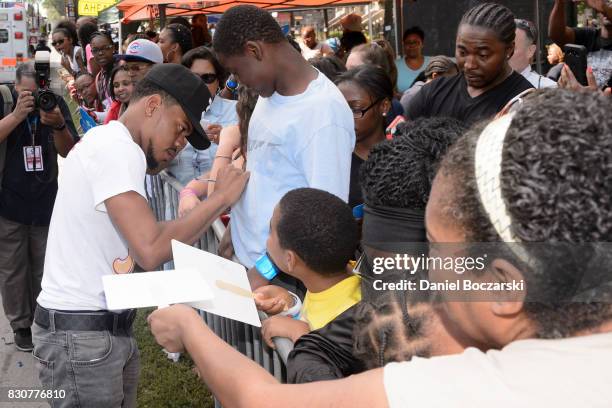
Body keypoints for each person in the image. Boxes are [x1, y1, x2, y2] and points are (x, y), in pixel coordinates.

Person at [149, 88, 612, 408]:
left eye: (434, 251)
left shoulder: (501, 386)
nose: (420, 276)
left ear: (503, 288)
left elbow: (261, 400)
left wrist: (191, 328)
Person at [32, 64, 249, 407]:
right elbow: (150, 248)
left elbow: (143, 239)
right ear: (152, 107)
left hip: (96, 331)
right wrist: (220, 198)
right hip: (81, 337)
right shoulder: (117, 148)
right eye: (180, 129)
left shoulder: (114, 145)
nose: (179, 144)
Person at [287, 117, 466, 384]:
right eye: (370, 267)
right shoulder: (387, 303)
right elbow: (315, 351)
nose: (385, 289)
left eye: (403, 272)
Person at [212, 5, 355, 291]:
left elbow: (320, 221)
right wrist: (233, 231)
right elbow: (264, 175)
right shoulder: (269, 92)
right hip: (251, 265)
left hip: (282, 280)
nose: (237, 81)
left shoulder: (323, 113)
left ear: (254, 51)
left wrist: (263, 271)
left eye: (236, 71)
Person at [0, 63, 78, 352]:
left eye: (37, 93)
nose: (33, 99)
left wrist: (57, 124)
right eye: (26, 93)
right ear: (15, 86)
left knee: (45, 267)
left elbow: (69, 150)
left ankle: (44, 320)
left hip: (46, 201)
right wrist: (17, 115)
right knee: (12, 269)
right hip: (8, 203)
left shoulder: (54, 104)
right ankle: (21, 326)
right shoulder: (5, 100)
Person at [254, 188, 360, 346]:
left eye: (270, 231)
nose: (267, 239)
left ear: (290, 260)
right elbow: (312, 315)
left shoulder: (349, 321)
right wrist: (289, 304)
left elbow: (326, 366)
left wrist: (300, 334)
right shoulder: (338, 280)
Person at [405, 3, 533, 126]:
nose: (469, 65)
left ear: (509, 50)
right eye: (462, 52)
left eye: (483, 55)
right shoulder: (432, 93)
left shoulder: (525, 103)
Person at [178, 85, 256, 217]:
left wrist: (226, 143)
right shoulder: (239, 154)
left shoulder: (257, 155)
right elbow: (205, 179)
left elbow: (214, 199)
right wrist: (188, 193)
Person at [167, 46, 236, 185]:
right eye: (193, 77)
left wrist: (227, 141)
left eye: (208, 78)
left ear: (219, 81)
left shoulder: (236, 111)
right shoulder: (168, 113)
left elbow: (248, 159)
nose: (199, 83)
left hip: (222, 203)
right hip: (177, 203)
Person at [335, 66, 392, 208]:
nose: (346, 118)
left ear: (384, 106)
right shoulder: (332, 159)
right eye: (340, 109)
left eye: (355, 109)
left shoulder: (406, 158)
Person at [548, 0, 612, 87]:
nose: (608, 6)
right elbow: (556, 34)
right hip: (582, 99)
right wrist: (560, 2)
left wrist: (603, 7)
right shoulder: (588, 35)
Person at [345, 43, 404, 125]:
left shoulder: (394, 108)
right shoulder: (343, 103)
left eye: (354, 70)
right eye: (346, 70)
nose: (346, 76)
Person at [510, 19, 557, 88]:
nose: (505, 54)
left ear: (530, 51)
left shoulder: (548, 89)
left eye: (511, 48)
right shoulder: (491, 85)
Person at [396, 27, 431, 93]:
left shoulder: (432, 63)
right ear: (403, 45)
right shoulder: (395, 66)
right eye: (408, 42)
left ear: (422, 44)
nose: (412, 45)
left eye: (416, 42)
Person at [90, 31, 116, 112]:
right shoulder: (99, 78)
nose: (100, 53)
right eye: (95, 50)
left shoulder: (123, 71)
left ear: (113, 48)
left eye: (105, 48)